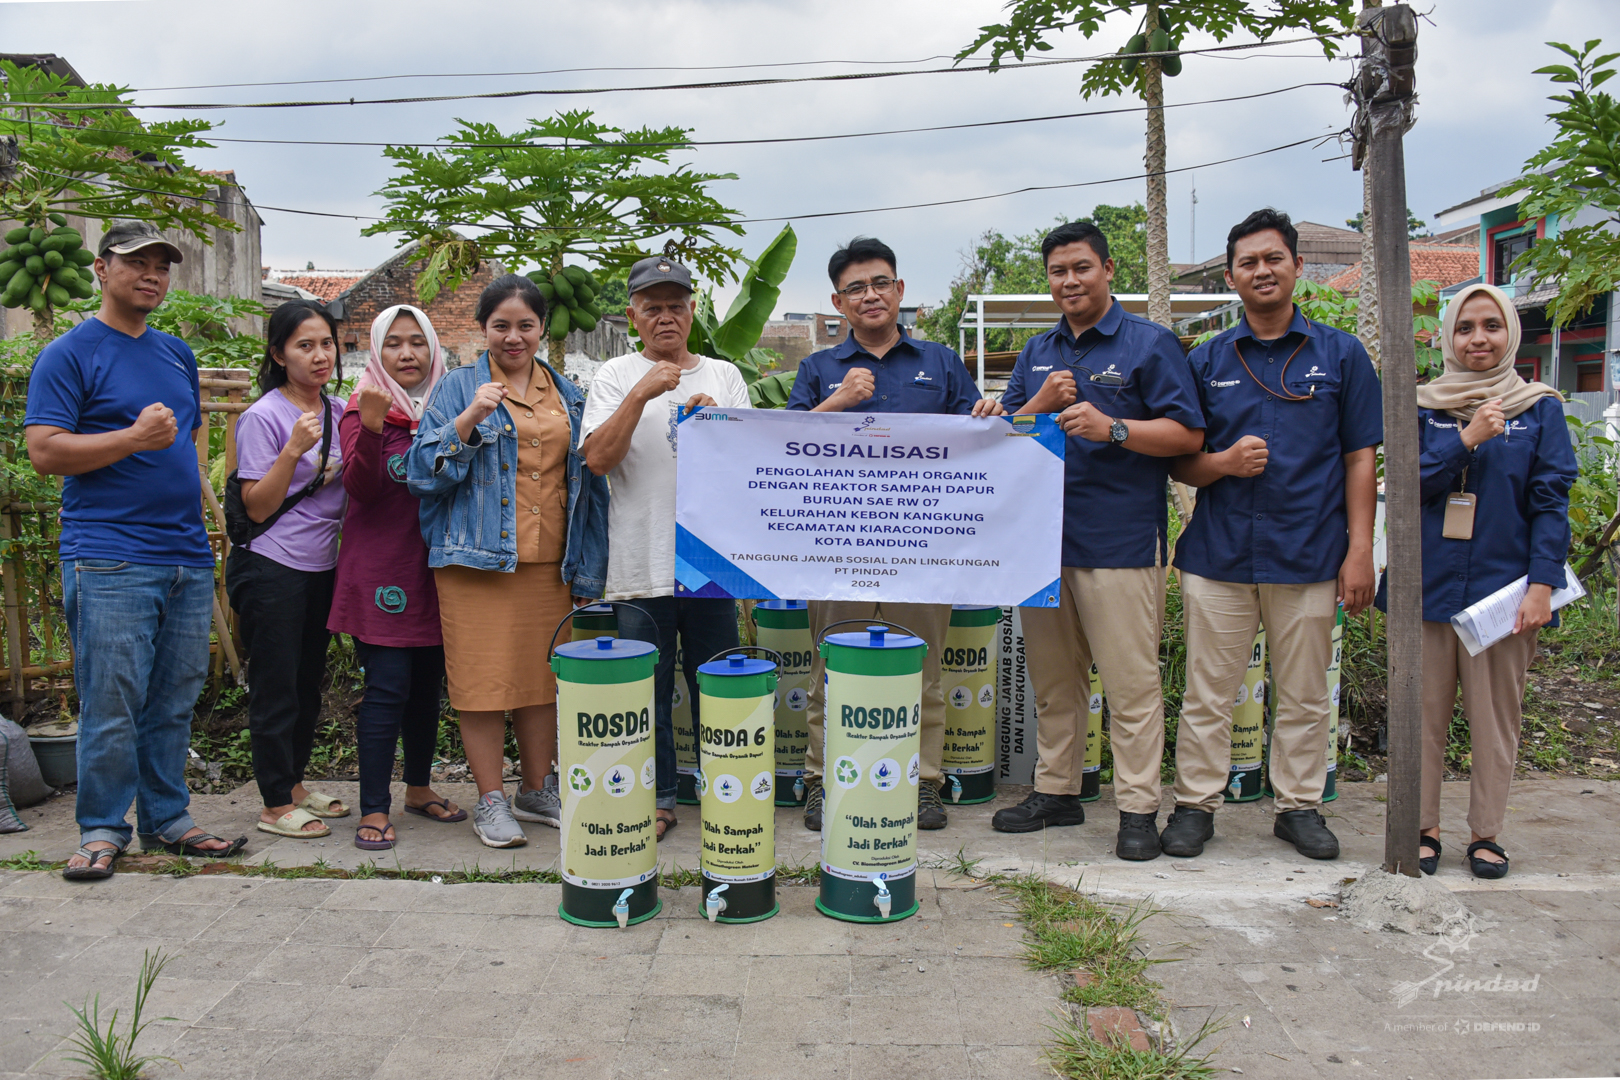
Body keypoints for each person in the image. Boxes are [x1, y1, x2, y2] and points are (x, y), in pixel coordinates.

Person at [25, 220, 247, 879]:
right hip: (109, 555)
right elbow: (45, 451)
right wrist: (130, 438)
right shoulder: (69, 354)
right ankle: (101, 828)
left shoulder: (176, 354)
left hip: (185, 552)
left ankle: (167, 819)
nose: (152, 274)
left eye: (161, 265)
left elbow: (186, 443)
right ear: (101, 269)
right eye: (136, 262)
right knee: (112, 701)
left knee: (174, 698)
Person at [1167, 209, 1382, 861]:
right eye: (1248, 262)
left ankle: (1298, 808)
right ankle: (1195, 806)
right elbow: (1181, 461)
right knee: (1208, 693)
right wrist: (1224, 464)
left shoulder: (1341, 355)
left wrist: (1360, 551)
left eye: (1273, 258)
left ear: (1296, 266)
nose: (1261, 270)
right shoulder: (1207, 360)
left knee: (1307, 694)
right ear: (1231, 277)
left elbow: (1360, 459)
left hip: (1309, 553)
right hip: (1220, 554)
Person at [990, 221, 1204, 860]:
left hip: (1120, 543)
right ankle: (1057, 790)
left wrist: (1114, 428)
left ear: (1108, 270)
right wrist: (1036, 402)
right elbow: (1004, 435)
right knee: (1055, 682)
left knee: (1130, 684)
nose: (1070, 281)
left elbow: (1188, 435)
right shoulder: (1036, 351)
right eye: (1058, 271)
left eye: (1081, 267)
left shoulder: (1150, 344)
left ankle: (1137, 808)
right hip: (1042, 545)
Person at [786, 236, 1004, 833]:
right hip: (838, 546)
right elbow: (783, 446)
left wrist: (987, 416)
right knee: (831, 669)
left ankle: (924, 783)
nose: (870, 295)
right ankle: (821, 781)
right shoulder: (818, 369)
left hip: (923, 546)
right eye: (855, 288)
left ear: (900, 290)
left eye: (880, 283)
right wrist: (840, 400)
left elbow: (978, 443)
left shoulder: (941, 363)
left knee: (924, 669)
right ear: (838, 302)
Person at [407, 274, 608, 848]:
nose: (513, 337)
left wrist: (589, 569)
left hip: (551, 563)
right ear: (483, 329)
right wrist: (469, 418)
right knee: (482, 684)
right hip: (476, 564)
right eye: (501, 326)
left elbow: (592, 488)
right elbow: (421, 474)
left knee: (542, 681)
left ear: (542, 328)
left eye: (525, 325)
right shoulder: (457, 387)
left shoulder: (569, 394)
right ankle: (491, 798)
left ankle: (536, 788)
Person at [1381, 282, 1574, 879]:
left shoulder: (1538, 408)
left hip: (1504, 595)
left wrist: (1542, 585)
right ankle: (1423, 827)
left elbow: (1551, 501)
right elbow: (1403, 489)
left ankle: (1486, 834)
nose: (1478, 338)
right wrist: (1465, 440)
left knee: (1495, 721)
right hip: (1426, 589)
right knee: (1420, 717)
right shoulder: (1421, 407)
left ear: (1511, 333)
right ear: (1448, 337)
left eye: (1492, 325)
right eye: (1465, 328)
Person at [580, 256, 750, 839]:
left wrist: (720, 424)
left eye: (676, 306)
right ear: (633, 317)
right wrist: (642, 391)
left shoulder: (725, 375)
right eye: (652, 308)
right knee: (646, 691)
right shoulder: (614, 374)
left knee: (717, 684)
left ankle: (725, 791)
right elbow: (598, 459)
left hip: (710, 561)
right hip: (639, 559)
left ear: (692, 311)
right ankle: (658, 799)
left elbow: (750, 468)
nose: (666, 317)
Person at [328, 305, 465, 850]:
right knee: (387, 688)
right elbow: (360, 489)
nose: (407, 354)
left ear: (433, 349)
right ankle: (373, 806)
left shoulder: (450, 409)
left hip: (437, 568)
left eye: (417, 342)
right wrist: (372, 425)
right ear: (376, 351)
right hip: (382, 571)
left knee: (428, 688)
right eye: (394, 343)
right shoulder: (361, 408)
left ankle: (419, 788)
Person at [226, 300, 348, 840]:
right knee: (275, 686)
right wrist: (293, 451)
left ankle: (295, 786)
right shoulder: (264, 416)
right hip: (270, 565)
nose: (320, 356)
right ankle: (275, 803)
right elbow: (256, 506)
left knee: (305, 682)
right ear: (278, 354)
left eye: (326, 344)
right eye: (305, 346)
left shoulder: (339, 411)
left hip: (321, 564)